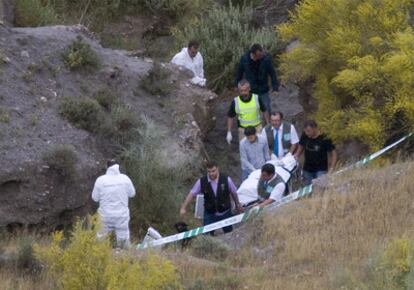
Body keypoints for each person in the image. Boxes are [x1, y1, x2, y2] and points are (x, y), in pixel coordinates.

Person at [180, 161, 243, 235]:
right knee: (206, 236)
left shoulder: (226, 179)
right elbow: (192, 193)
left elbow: (234, 193)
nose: (211, 174)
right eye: (209, 171)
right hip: (210, 214)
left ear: (217, 169)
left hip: (225, 212)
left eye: (213, 171)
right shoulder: (201, 181)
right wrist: (183, 207)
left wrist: (237, 205)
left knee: (229, 233)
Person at [91, 160, 136, 249]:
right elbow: (132, 194)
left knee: (100, 242)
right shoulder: (125, 178)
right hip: (121, 216)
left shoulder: (100, 180)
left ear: (107, 167)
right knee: (124, 244)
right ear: (118, 166)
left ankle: (101, 259)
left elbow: (95, 198)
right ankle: (124, 260)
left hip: (105, 216)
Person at [235, 43, 280, 114]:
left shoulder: (266, 59)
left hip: (263, 89)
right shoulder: (244, 59)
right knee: (251, 110)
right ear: (253, 54)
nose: (262, 56)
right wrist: (236, 84)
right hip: (250, 89)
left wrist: (275, 88)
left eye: (262, 53)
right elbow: (239, 72)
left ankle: (268, 124)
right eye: (259, 55)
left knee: (266, 109)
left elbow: (272, 73)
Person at [294, 120, 337, 185]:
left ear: (315, 128)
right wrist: (296, 155)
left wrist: (332, 168)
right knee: (308, 190)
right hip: (307, 169)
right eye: (305, 131)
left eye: (308, 131)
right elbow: (301, 146)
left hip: (321, 169)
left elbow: (333, 153)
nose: (307, 133)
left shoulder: (325, 138)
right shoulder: (305, 135)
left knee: (320, 188)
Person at [227, 79, 269, 144]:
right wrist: (229, 131)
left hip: (257, 129)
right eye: (241, 91)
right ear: (238, 90)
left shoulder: (256, 98)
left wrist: (268, 125)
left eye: (245, 90)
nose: (243, 93)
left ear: (249, 89)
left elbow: (265, 111)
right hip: (243, 131)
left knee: (260, 149)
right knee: (245, 151)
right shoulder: (235, 102)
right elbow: (230, 116)